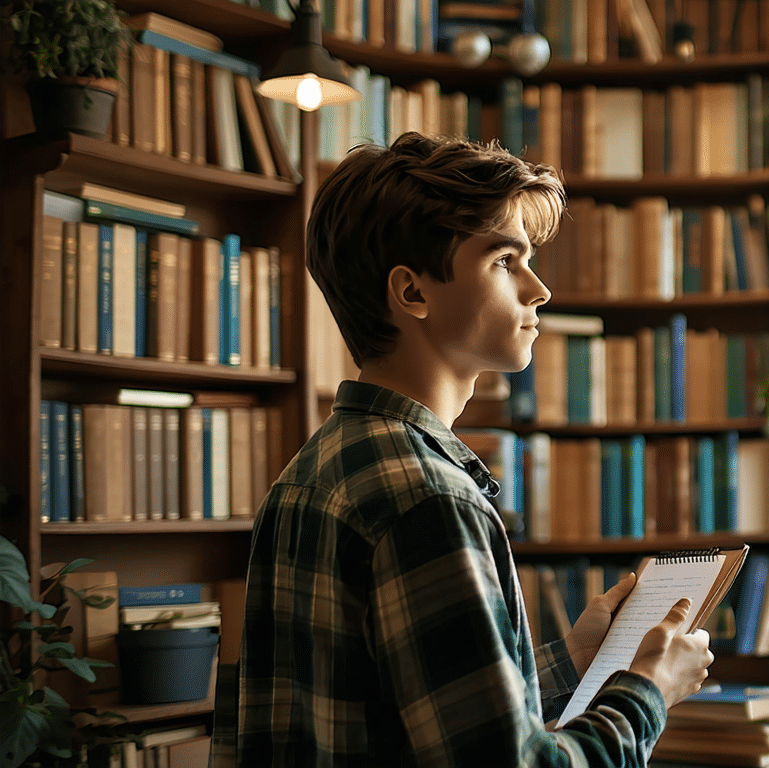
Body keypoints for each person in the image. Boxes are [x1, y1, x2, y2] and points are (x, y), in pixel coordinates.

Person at [233, 133, 714, 767]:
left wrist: (572, 660)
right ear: (412, 293)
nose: (538, 289)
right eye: (504, 260)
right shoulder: (427, 497)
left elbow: (426, 725)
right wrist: (649, 691)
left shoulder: (315, 469)